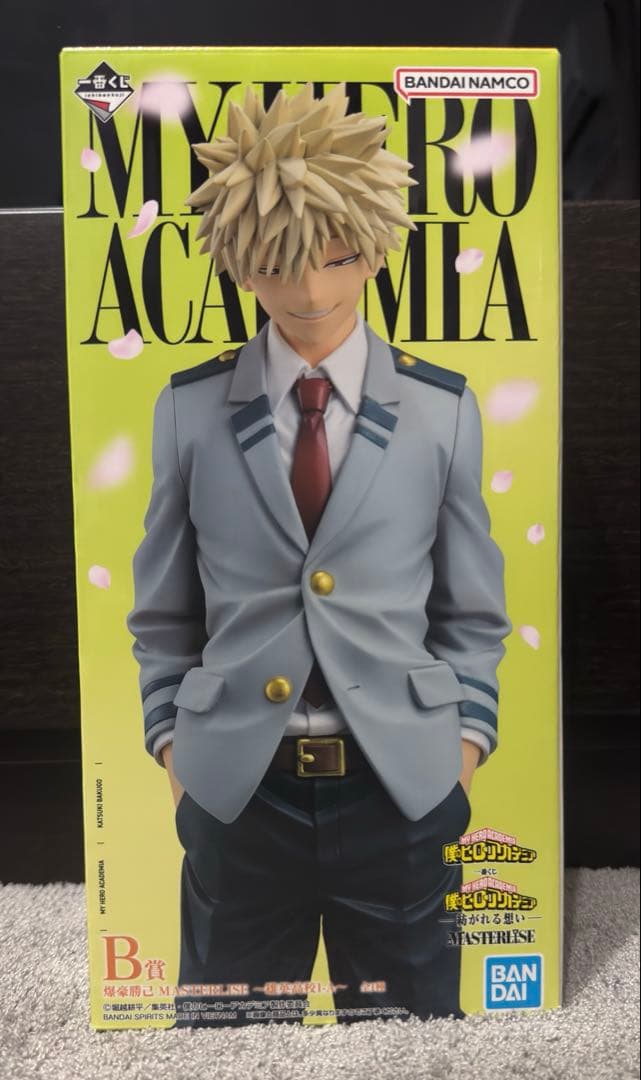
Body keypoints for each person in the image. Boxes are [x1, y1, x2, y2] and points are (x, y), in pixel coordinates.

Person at [127, 82, 511, 1026]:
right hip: (235, 791)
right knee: (225, 1035)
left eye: (337, 259)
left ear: (376, 247)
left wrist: (459, 756)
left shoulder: (442, 410)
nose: (309, 292)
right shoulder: (187, 410)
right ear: (237, 263)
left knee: (413, 1036)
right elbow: (164, 612)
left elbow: (470, 611)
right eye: (276, 265)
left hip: (402, 786)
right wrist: (176, 755)